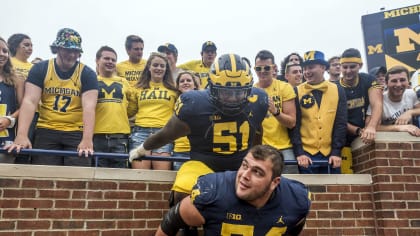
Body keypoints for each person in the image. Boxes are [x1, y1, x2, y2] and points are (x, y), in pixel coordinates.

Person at [129, 54, 268, 213]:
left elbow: (257, 131)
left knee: (266, 193)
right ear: (212, 87)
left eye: (239, 92)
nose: (233, 99)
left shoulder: (259, 100)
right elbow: (167, 133)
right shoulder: (195, 103)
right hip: (203, 163)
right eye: (226, 92)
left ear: (249, 89)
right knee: (183, 191)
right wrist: (143, 148)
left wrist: (255, 158)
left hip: (241, 165)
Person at [155, 145, 311, 236]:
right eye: (244, 165)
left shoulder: (296, 199)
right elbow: (170, 222)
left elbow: (294, 226)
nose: (244, 175)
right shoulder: (214, 192)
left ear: (274, 183)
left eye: (257, 172)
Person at [6, 28, 98, 166]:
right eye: (67, 50)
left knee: (79, 174)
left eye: (75, 51)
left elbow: (89, 107)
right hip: (46, 129)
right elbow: (30, 101)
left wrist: (87, 139)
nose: (72, 55)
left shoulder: (87, 73)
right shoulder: (41, 69)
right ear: (57, 49)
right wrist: (22, 135)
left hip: (75, 131)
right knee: (44, 173)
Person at [291, 50, 347, 174]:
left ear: (323, 67)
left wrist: (336, 152)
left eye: (311, 67)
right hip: (306, 155)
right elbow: (294, 125)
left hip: (331, 155)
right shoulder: (296, 91)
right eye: (304, 68)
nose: (306, 72)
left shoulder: (338, 90)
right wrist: (299, 153)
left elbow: (340, 123)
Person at [129, 52, 179, 170]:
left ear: (166, 69)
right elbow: (130, 111)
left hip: (163, 134)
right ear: (149, 67)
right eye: (155, 65)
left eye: (162, 66)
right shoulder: (138, 88)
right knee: (139, 177)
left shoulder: (173, 90)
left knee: (160, 177)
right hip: (140, 133)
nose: (159, 68)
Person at [253, 50, 298, 174]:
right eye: (258, 68)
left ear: (274, 68)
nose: (262, 71)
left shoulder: (284, 87)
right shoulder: (251, 91)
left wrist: (275, 112)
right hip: (261, 147)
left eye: (266, 68)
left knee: (293, 181)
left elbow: (292, 122)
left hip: (283, 146)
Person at [93, 46, 137, 168]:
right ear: (97, 60)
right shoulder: (91, 80)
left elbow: (133, 104)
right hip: (97, 136)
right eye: (106, 58)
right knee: (98, 175)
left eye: (113, 60)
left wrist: (121, 114)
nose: (110, 62)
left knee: (119, 176)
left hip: (120, 137)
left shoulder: (123, 82)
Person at [337, 48, 383, 145]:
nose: (348, 71)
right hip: (344, 137)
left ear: (360, 66)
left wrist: (371, 126)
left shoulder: (368, 79)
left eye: (352, 67)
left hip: (367, 132)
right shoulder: (334, 87)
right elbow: (337, 118)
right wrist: (358, 131)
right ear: (340, 67)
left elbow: (377, 104)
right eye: (345, 67)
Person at [366, 65, 420, 136]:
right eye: (394, 81)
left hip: (410, 138)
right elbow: (368, 126)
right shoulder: (378, 99)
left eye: (402, 80)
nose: (398, 84)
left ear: (408, 81)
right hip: (388, 140)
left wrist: (409, 112)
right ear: (386, 83)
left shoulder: (411, 93)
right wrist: (399, 128)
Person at [0, 37, 24, 163]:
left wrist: (9, 119)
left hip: (6, 142)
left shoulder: (17, 80)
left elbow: (24, 107)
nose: (2, 54)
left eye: (5, 51)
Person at [172, 71, 199, 170]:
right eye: (182, 81)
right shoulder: (175, 102)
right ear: (178, 87)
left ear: (195, 85)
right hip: (180, 150)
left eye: (189, 80)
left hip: (198, 151)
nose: (185, 82)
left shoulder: (204, 101)